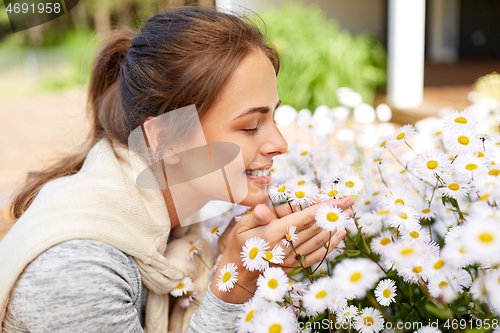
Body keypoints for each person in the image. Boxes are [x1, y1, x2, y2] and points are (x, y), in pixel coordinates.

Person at [0, 7, 353, 333]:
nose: (280, 143)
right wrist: (232, 284)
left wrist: (236, 254)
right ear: (164, 138)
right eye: (249, 126)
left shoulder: (174, 226)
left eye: (273, 116)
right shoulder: (80, 269)